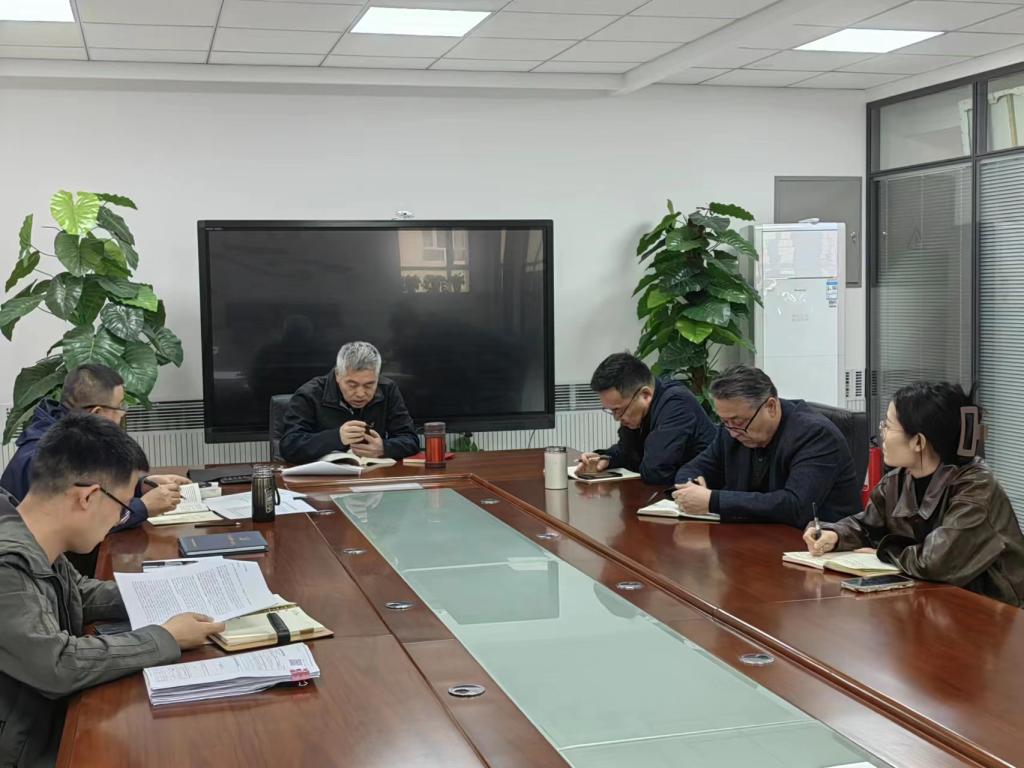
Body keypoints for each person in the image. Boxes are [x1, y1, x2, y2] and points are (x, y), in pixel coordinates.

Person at [0, 414, 225, 767]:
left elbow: (78, 593)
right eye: (122, 508)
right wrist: (165, 638)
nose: (120, 519)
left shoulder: (29, 532)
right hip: (26, 748)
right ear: (89, 497)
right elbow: (57, 665)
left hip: (42, 721)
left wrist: (176, 591)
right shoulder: (7, 565)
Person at [804, 382, 1024, 607]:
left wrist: (882, 551)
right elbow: (868, 525)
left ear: (918, 442)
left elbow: (935, 562)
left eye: (888, 426)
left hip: (995, 613)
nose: (881, 434)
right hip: (937, 604)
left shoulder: (977, 487)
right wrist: (835, 535)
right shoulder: (896, 480)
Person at [0, 364, 186, 530]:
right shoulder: (52, 454)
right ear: (97, 413)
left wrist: (141, 486)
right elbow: (79, 523)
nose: (123, 414)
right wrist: (143, 507)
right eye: (120, 407)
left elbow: (96, 486)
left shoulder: (73, 435)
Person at [672, 365, 861, 528]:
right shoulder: (731, 431)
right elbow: (693, 468)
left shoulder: (815, 435)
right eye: (724, 421)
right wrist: (692, 486)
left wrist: (713, 501)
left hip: (816, 544)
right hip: (755, 536)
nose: (733, 432)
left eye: (738, 421)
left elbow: (796, 506)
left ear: (771, 407)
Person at [576, 353, 715, 486]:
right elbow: (627, 452)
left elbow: (655, 471)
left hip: (706, 492)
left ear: (645, 394)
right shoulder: (637, 411)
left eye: (618, 410)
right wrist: (606, 458)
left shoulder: (676, 404)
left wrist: (632, 459)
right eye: (611, 411)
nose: (617, 418)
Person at [280, 341, 419, 464]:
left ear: (377, 377)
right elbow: (290, 447)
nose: (360, 393)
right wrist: (337, 437)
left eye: (369, 385)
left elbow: (410, 439)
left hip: (372, 475)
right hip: (325, 478)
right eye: (352, 385)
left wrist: (384, 448)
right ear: (338, 375)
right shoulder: (309, 394)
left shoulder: (387, 389)